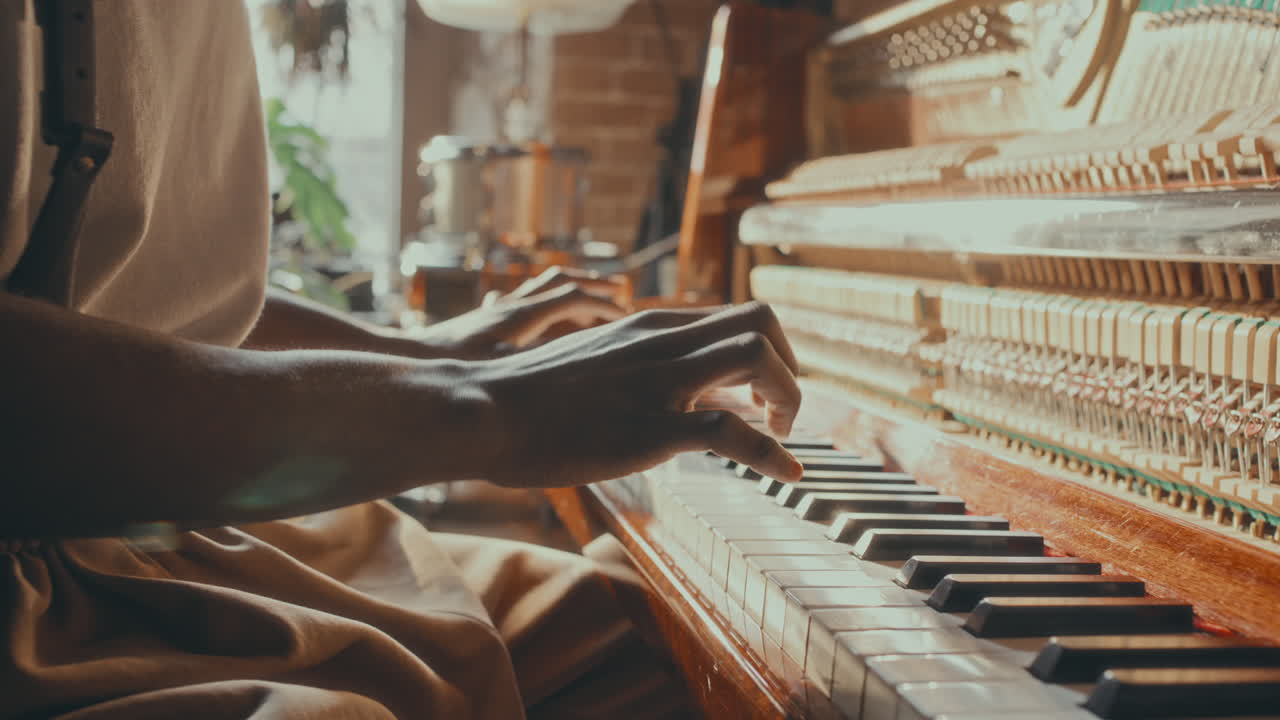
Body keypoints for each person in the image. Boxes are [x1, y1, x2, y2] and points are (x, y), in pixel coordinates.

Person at [0, 2, 804, 718]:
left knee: (663, 635)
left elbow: (172, 294)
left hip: (178, 542)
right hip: (47, 600)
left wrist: (409, 351)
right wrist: (483, 405)